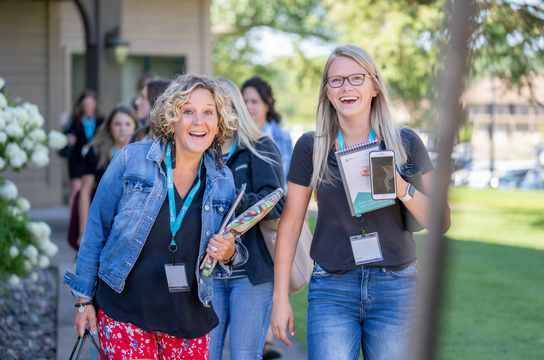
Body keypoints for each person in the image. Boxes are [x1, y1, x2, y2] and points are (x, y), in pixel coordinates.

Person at [270, 45, 452, 360]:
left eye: (356, 78)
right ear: (326, 92)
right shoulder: (310, 147)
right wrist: (280, 298)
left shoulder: (406, 142)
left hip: (396, 288)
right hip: (332, 290)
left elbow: (442, 221)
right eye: (336, 80)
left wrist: (400, 186)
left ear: (375, 86)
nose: (346, 87)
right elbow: (289, 226)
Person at [62, 74, 249, 360]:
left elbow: (229, 249)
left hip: (189, 319)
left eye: (208, 112)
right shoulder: (131, 160)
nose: (199, 121)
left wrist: (228, 252)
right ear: (171, 118)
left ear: (219, 122)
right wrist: (83, 301)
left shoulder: (222, 179)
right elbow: (96, 230)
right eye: (188, 111)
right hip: (125, 311)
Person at [208, 78, 285, 360]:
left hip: (251, 277)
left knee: (244, 356)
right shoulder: (201, 151)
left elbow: (277, 202)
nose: (212, 114)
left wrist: (232, 202)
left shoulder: (259, 146)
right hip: (207, 274)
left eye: (216, 107)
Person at [76, 104, 141, 248]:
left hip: (132, 222)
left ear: (135, 127)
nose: (122, 129)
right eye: (117, 124)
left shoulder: (141, 154)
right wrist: (83, 231)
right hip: (103, 219)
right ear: (109, 127)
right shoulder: (96, 152)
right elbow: (85, 192)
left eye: (127, 124)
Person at [242, 76, 293, 179]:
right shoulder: (235, 138)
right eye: (244, 101)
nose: (248, 106)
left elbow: (289, 180)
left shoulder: (284, 138)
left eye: (254, 101)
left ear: (267, 105)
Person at [63, 89, 104, 209]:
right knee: (76, 188)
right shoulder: (75, 120)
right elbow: (66, 135)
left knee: (91, 188)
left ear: (95, 104)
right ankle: (74, 217)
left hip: (93, 159)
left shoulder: (101, 120)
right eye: (85, 105)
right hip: (77, 158)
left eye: (90, 104)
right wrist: (69, 139)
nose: (87, 107)